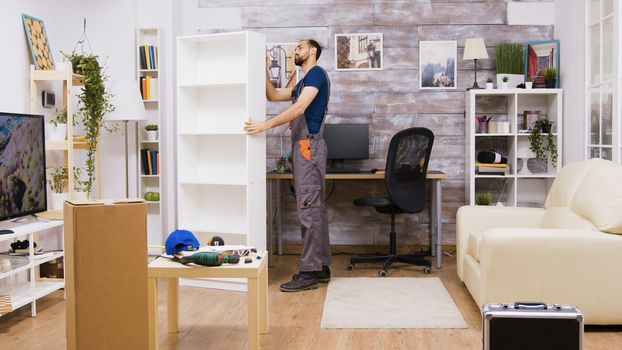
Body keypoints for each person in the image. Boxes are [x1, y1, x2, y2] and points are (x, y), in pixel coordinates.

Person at [244, 39, 331, 292]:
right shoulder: (302, 81)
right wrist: (261, 66)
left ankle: (309, 271)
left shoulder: (316, 74)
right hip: (302, 148)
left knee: (308, 208)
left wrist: (264, 125)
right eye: (296, 47)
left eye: (301, 47)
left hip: (308, 147)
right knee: (314, 208)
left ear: (313, 51)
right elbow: (272, 94)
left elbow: (300, 108)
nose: (296, 50)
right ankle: (321, 267)